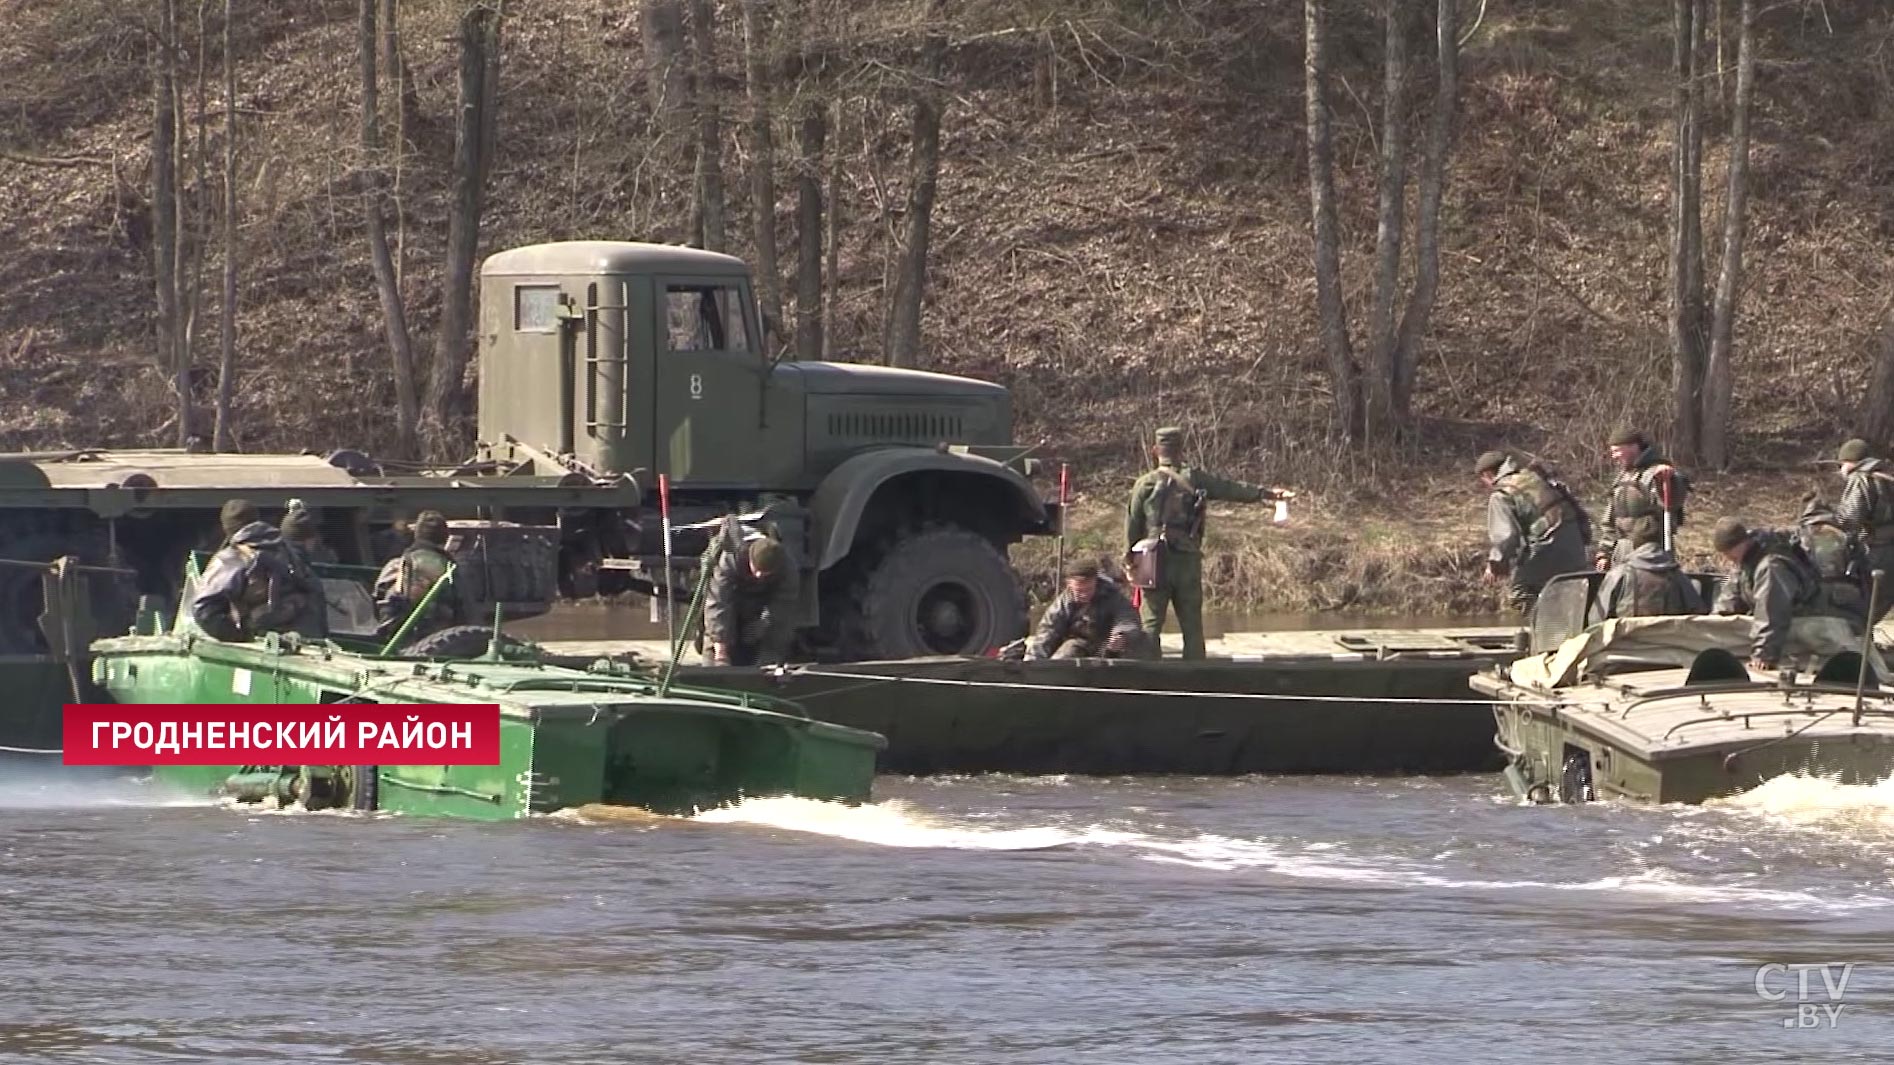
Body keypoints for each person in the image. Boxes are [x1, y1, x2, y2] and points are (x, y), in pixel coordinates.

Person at [1124, 425, 1292, 661]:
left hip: (1151, 560)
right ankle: (1197, 677)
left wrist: (1130, 561)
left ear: (1154, 450)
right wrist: (1267, 493)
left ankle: (1149, 675)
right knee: (1192, 622)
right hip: (1187, 559)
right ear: (1182, 450)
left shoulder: (1144, 483)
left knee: (1151, 622)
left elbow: (1132, 526)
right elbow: (1230, 489)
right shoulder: (1195, 478)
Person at [1710, 517, 1861, 672]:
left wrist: (1763, 655)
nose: (1726, 558)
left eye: (1729, 552)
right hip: (1783, 629)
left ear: (1743, 543)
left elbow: (1772, 611)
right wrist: (1712, 626)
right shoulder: (1745, 562)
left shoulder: (1771, 567)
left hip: (1805, 627)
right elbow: (1730, 598)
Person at [190, 498, 328, 642]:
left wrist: (239, 636)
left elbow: (203, 609)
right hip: (305, 644)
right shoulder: (287, 549)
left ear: (227, 528)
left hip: (259, 646)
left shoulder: (230, 558)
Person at [1477, 449, 1591, 614]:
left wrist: (1496, 565)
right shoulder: (1538, 477)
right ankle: (1570, 627)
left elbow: (1507, 536)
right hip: (1576, 546)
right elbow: (1575, 508)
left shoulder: (1502, 494)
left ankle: (1550, 630)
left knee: (1520, 593)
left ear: (1487, 474)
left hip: (1546, 548)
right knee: (1568, 594)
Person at [701, 516, 802, 667]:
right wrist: (721, 653)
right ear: (749, 559)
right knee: (714, 663)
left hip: (759, 608)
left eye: (765, 573)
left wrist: (762, 629)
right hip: (731, 605)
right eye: (757, 570)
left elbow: (782, 610)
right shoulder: (730, 559)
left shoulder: (787, 568)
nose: (760, 575)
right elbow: (718, 602)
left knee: (770, 659)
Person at [1594, 427, 1689, 569]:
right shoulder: (1622, 478)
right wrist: (1605, 553)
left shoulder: (1657, 473)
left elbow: (1672, 503)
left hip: (1651, 555)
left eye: (1617, 451)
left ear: (1633, 447)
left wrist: (1666, 480)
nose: (1614, 456)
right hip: (1621, 552)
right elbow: (1610, 520)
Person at [1027, 559, 1157, 661]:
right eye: (1079, 591)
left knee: (1144, 642)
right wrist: (1032, 661)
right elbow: (1047, 632)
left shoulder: (1113, 595)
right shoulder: (1062, 604)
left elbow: (1127, 617)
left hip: (1108, 643)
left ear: (1096, 582)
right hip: (1079, 644)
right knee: (1063, 656)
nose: (1083, 594)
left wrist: (1121, 635)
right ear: (1069, 585)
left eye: (1088, 589)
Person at [1593, 507, 1706, 621]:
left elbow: (1597, 619)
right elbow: (1697, 614)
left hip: (1627, 638)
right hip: (1667, 638)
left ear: (1634, 542)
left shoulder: (1620, 574)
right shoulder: (1677, 575)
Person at [372, 510, 469, 640]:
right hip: (440, 641)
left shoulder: (397, 564)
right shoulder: (451, 568)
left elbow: (378, 598)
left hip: (396, 639)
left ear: (416, 535)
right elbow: (466, 609)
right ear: (445, 537)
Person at [1835, 437, 1894, 624]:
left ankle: (1860, 643)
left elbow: (1850, 518)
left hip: (1874, 549)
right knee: (1884, 598)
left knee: (1867, 599)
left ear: (1849, 461)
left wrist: (1831, 519)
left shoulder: (1860, 478)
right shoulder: (1888, 477)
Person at [1796, 494, 1870, 621]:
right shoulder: (1848, 535)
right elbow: (1865, 573)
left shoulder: (1799, 535)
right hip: (1848, 597)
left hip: (1811, 598)